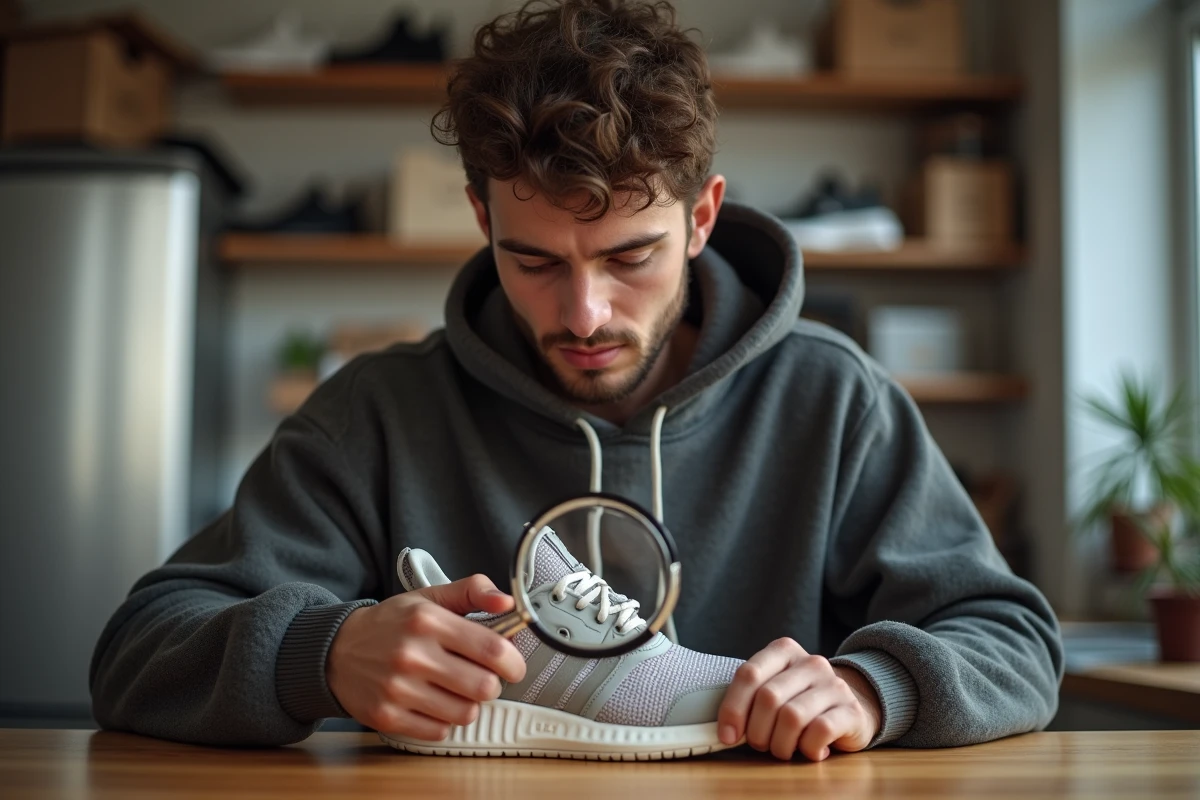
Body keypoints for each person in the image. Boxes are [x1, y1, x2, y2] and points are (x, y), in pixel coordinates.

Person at [90, 0, 1063, 762]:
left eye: (630, 255)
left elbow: (1014, 640)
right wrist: (322, 652)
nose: (585, 313)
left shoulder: (836, 401)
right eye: (537, 261)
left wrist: (872, 687)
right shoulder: (376, 415)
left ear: (702, 216)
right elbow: (138, 649)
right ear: (481, 218)